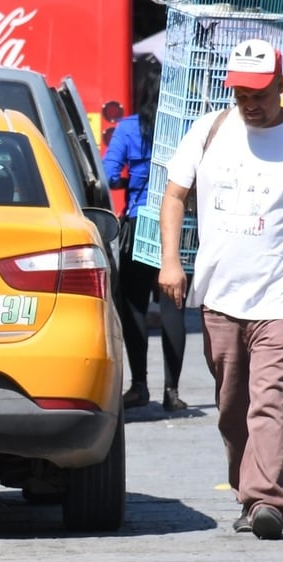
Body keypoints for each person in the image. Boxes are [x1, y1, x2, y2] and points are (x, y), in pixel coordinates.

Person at [159, 38, 283, 540]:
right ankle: (246, 488)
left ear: (282, 84)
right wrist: (171, 262)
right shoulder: (210, 130)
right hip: (219, 296)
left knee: (270, 397)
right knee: (231, 406)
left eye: (259, 94)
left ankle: (265, 499)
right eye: (241, 94)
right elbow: (174, 196)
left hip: (282, 298)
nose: (250, 104)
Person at [103, 72, 188, 411]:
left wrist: (132, 181)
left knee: (134, 305)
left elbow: (109, 175)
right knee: (172, 306)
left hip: (140, 224)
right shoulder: (183, 129)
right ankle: (172, 391)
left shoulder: (127, 129)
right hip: (178, 224)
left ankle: (139, 385)